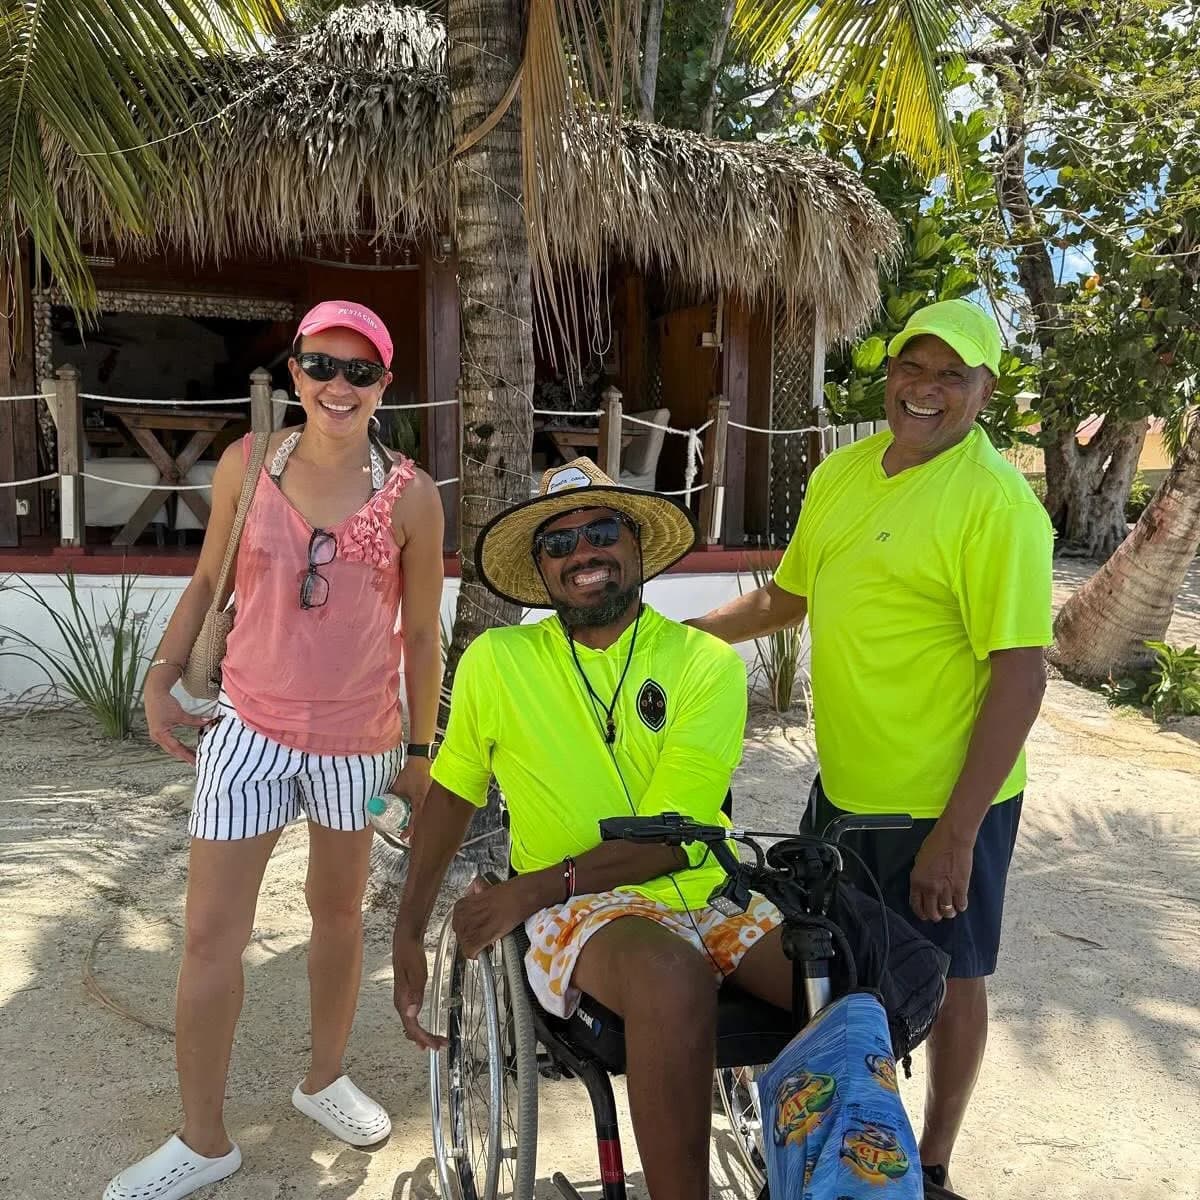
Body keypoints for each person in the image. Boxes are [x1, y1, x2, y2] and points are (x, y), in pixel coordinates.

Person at [690, 299, 1052, 1190]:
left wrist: (958, 834)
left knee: (955, 977)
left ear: (984, 390)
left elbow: (1021, 675)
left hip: (945, 801)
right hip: (845, 790)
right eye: (911, 368)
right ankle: (845, 1140)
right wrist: (676, 638)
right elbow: (786, 598)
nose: (925, 390)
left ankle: (929, 1165)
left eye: (951, 376)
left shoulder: (996, 504)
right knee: (835, 969)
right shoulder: (842, 473)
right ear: (888, 373)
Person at [105, 301, 445, 1200]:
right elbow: (210, 576)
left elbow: (419, 636)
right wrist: (163, 674)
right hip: (247, 731)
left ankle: (323, 1076)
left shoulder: (411, 495)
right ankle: (204, 1138)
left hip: (358, 746)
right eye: (321, 367)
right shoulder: (247, 465)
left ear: (384, 383)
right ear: (293, 374)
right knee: (211, 934)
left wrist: (418, 749)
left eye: (359, 371)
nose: (339, 386)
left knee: (337, 916)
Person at [392, 459, 802, 1200]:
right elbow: (453, 794)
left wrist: (522, 892)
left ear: (637, 545)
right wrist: (407, 930)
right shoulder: (498, 660)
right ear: (541, 569)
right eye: (559, 543)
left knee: (836, 980)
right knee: (670, 976)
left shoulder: (703, 663)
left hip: (704, 891)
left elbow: (676, 837)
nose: (584, 552)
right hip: (577, 914)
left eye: (602, 530)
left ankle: (843, 1178)